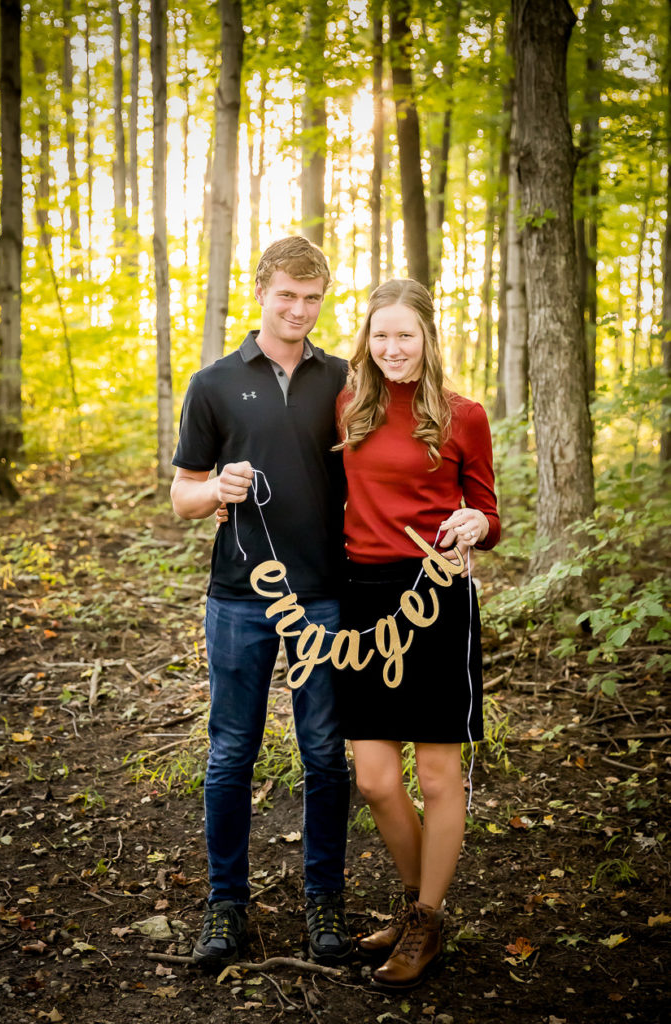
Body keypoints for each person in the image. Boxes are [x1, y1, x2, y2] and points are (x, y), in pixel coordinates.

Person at [170, 237, 352, 970]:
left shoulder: (344, 379)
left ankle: (323, 899)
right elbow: (182, 496)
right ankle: (226, 904)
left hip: (324, 598)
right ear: (260, 292)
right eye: (287, 295)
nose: (299, 310)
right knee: (230, 755)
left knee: (323, 757)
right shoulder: (212, 383)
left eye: (312, 298)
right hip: (239, 599)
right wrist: (217, 490)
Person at [333, 278, 501, 990]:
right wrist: (229, 502)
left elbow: (489, 513)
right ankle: (412, 905)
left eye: (404, 335)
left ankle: (427, 919)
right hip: (363, 601)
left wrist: (474, 524)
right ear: (365, 341)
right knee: (373, 778)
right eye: (380, 335)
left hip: (436, 597)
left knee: (435, 774)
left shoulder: (464, 416)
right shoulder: (346, 406)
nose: (392, 348)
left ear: (428, 338)